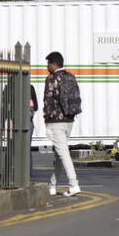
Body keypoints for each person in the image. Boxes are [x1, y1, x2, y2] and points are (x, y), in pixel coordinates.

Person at [42, 50, 82, 197]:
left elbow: (48, 100)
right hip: (69, 120)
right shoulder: (71, 77)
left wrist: (46, 120)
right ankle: (52, 185)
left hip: (56, 121)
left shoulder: (51, 78)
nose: (47, 67)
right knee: (60, 154)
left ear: (53, 64)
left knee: (63, 153)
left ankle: (74, 184)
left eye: (48, 64)